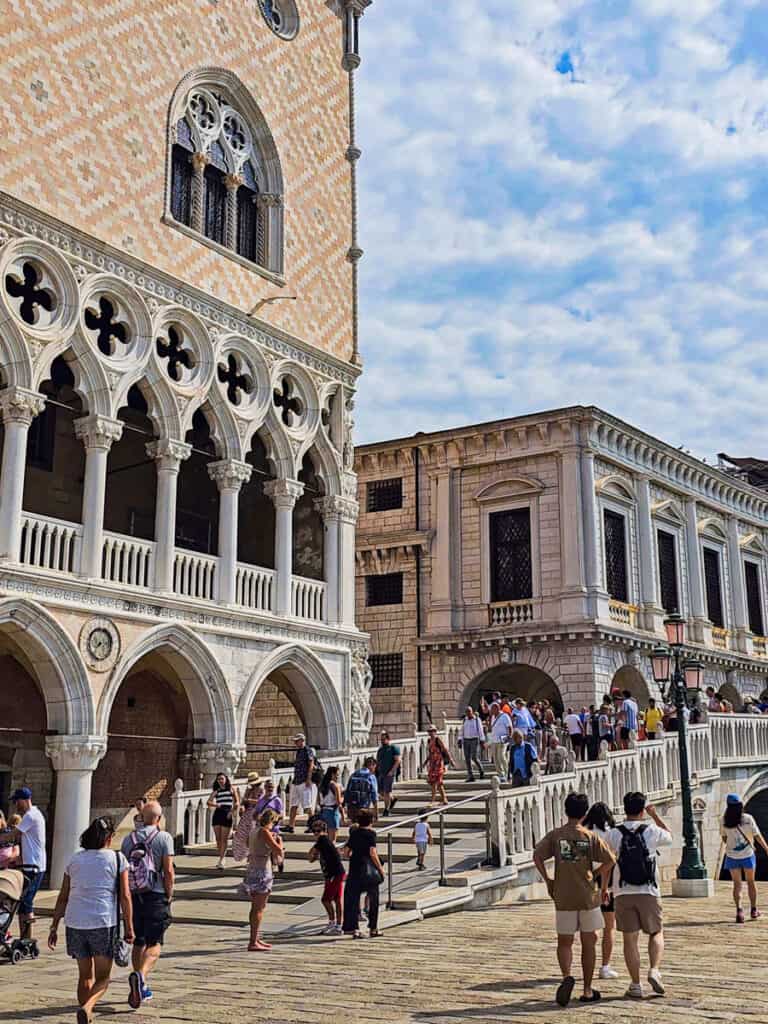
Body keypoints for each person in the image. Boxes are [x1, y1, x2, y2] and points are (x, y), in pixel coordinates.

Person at [48, 816, 134, 1024]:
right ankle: (87, 1008)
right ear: (109, 837)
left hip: (75, 922)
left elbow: (63, 896)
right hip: (102, 922)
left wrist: (54, 926)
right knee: (103, 977)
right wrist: (129, 928)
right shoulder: (117, 859)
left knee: (84, 976)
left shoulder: (75, 859)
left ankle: (85, 1013)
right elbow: (125, 896)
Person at [533, 792, 615, 1007]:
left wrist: (548, 880)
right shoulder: (590, 837)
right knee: (590, 942)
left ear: (566, 810)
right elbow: (610, 860)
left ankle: (566, 976)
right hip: (587, 895)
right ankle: (587, 989)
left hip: (563, 895)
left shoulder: (556, 835)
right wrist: (598, 878)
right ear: (584, 812)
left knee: (565, 942)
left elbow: (537, 855)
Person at [606, 792, 672, 999]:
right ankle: (654, 969)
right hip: (649, 890)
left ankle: (635, 984)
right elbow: (669, 836)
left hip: (623, 891)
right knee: (656, 932)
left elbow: (608, 861)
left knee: (629, 939)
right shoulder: (652, 830)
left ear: (624, 808)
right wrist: (654, 815)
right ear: (643, 810)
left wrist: (604, 889)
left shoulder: (613, 834)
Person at [121, 799, 175, 1010]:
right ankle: (141, 977)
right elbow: (168, 870)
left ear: (142, 818)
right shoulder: (163, 837)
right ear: (159, 819)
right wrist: (169, 893)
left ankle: (141, 985)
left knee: (138, 940)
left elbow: (123, 870)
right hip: (155, 893)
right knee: (155, 943)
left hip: (134, 895)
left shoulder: (128, 839)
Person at [583, 801, 619, 981]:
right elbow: (611, 861)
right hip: (607, 880)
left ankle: (587, 962)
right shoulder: (610, 834)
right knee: (609, 926)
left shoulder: (583, 832)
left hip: (586, 880)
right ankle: (605, 966)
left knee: (589, 926)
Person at [238, 808, 283, 951]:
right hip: (262, 871)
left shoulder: (253, 831)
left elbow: (247, 844)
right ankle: (253, 941)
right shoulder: (264, 831)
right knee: (259, 908)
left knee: (256, 907)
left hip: (252, 869)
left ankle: (255, 937)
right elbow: (278, 850)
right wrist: (279, 841)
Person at [721, 793, 768, 922]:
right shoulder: (748, 818)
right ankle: (753, 910)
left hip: (732, 856)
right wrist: (766, 849)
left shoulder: (724, 820)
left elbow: (724, 839)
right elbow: (757, 836)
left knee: (737, 884)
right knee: (751, 882)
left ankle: (739, 911)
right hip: (747, 855)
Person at [9, 787, 46, 940]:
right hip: (31, 865)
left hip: (34, 867)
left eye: (17, 801)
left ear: (24, 800)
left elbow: (13, 835)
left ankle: (28, 940)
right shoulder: (34, 814)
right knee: (23, 903)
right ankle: (24, 938)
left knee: (27, 901)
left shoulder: (30, 816)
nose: (15, 805)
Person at [342, 809, 385, 938]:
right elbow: (373, 852)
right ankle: (373, 928)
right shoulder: (371, 834)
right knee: (374, 899)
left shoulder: (354, 833)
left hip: (355, 867)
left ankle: (353, 928)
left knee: (352, 898)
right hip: (368, 869)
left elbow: (346, 852)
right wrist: (381, 869)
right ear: (371, 821)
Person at [309, 818, 345, 935]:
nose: (315, 833)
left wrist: (314, 855)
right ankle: (338, 924)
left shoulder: (322, 840)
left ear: (324, 831)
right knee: (337, 899)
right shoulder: (324, 841)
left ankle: (333, 922)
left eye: (318, 831)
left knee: (325, 900)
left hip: (333, 874)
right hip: (336, 873)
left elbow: (310, 855)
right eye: (314, 831)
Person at [207, 773, 240, 870]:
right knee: (218, 839)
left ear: (226, 779)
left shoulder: (231, 789)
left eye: (222, 779)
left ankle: (222, 859)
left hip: (227, 813)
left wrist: (232, 812)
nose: (220, 781)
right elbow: (209, 801)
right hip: (218, 813)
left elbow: (237, 802)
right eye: (218, 779)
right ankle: (220, 856)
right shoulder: (216, 791)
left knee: (224, 839)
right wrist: (216, 805)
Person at [285, 733, 317, 833]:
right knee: (293, 805)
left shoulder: (307, 750)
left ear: (302, 740)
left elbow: (311, 764)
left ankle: (313, 826)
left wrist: (308, 778)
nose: (295, 743)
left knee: (307, 806)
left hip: (304, 781)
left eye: (297, 741)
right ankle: (291, 826)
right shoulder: (298, 751)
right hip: (296, 781)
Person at [232, 773, 264, 864]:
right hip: (247, 814)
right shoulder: (248, 790)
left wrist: (249, 800)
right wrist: (242, 805)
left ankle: (252, 855)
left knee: (253, 836)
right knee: (241, 835)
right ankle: (247, 854)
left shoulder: (261, 790)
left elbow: (261, 801)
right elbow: (243, 801)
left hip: (256, 814)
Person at [425, 725, 454, 805]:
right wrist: (426, 762)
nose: (431, 733)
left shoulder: (438, 739)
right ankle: (444, 799)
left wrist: (451, 760)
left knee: (437, 781)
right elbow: (430, 753)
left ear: (435, 731)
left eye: (432, 731)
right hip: (432, 763)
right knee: (435, 782)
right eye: (429, 731)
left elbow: (445, 749)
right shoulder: (429, 740)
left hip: (438, 762)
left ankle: (433, 800)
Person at [344, 757, 379, 823]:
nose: (374, 769)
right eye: (374, 767)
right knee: (363, 827)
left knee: (354, 827)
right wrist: (376, 814)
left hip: (352, 807)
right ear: (371, 765)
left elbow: (347, 791)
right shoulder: (371, 776)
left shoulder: (354, 774)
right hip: (363, 808)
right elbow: (374, 796)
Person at [375, 731, 402, 816]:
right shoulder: (380, 750)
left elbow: (398, 760)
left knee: (387, 792)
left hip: (389, 774)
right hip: (381, 773)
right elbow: (378, 762)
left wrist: (392, 771)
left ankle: (386, 810)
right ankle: (392, 799)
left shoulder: (393, 748)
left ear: (388, 739)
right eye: (381, 739)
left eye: (384, 739)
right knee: (381, 791)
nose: (382, 741)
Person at [318, 766, 345, 842]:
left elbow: (319, 801)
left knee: (325, 837)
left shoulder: (321, 785)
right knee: (333, 839)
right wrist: (343, 798)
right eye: (337, 774)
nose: (338, 776)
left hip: (323, 811)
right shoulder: (335, 786)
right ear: (332, 774)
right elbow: (338, 802)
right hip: (332, 812)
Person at [459, 706, 486, 782]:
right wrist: (460, 739)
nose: (468, 713)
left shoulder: (477, 720)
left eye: (469, 712)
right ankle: (470, 775)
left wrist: (482, 740)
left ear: (472, 712)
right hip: (466, 740)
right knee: (467, 758)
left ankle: (481, 770)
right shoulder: (465, 720)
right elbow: (462, 731)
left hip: (475, 739)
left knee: (474, 757)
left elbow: (480, 730)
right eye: (466, 712)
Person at [488, 702, 513, 778]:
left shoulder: (504, 716)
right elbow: (491, 728)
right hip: (494, 740)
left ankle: (507, 772)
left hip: (502, 740)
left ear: (497, 708)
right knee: (495, 759)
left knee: (501, 756)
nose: (491, 711)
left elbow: (510, 727)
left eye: (492, 709)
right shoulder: (492, 717)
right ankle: (501, 774)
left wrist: (509, 737)